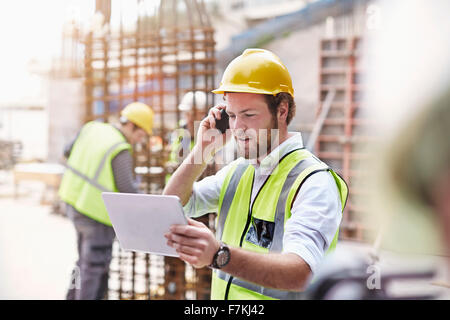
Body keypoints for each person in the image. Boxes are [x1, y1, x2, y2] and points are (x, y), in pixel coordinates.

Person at [163, 48, 348, 300]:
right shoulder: (238, 172)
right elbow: (173, 205)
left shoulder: (313, 181)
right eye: (231, 116)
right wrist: (202, 151)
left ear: (282, 110)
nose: (238, 128)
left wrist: (219, 255)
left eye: (249, 115)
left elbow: (302, 272)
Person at [59, 102, 154, 300]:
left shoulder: (91, 128)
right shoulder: (120, 148)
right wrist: (151, 205)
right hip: (96, 214)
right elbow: (126, 190)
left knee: (83, 262)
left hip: (72, 203)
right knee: (93, 267)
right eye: (140, 134)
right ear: (131, 125)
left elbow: (67, 151)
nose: (139, 140)